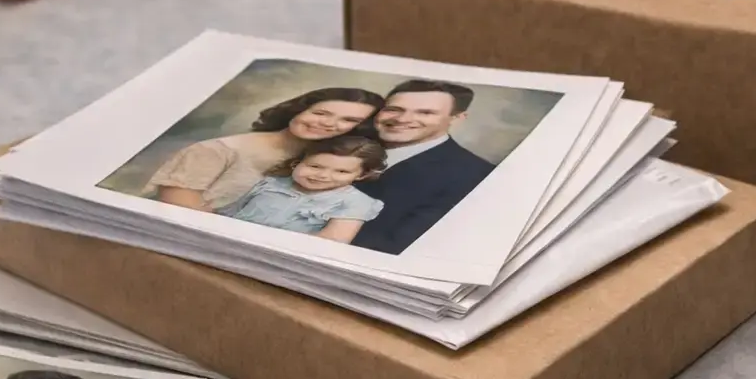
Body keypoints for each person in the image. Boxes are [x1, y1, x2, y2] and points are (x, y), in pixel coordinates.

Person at [147, 86, 384, 213]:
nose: (327, 123)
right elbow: (178, 213)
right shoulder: (217, 150)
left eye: (347, 120)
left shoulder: (332, 167)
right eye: (320, 113)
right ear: (298, 110)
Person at [349, 79, 495, 255]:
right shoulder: (346, 143)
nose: (402, 119)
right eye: (393, 109)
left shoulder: (477, 176)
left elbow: (400, 248)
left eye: (425, 113)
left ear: (456, 118)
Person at [215, 135, 386, 243]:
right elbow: (230, 212)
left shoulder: (356, 202)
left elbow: (332, 241)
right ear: (297, 163)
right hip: (230, 240)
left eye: (342, 171)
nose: (323, 175)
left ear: (361, 175)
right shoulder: (271, 183)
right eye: (315, 166)